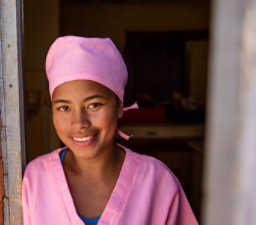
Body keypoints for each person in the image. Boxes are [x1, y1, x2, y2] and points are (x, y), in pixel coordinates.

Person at [22, 36, 198, 225]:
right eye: (64, 108)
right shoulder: (36, 180)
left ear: (120, 106)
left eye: (94, 105)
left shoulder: (157, 182)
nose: (79, 122)